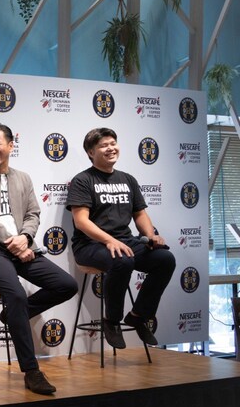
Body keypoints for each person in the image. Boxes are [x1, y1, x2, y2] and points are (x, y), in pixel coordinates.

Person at [0, 122, 77, 395]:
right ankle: (31, 371)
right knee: (15, 295)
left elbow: (33, 213)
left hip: (23, 246)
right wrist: (13, 244)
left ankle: (15, 315)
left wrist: (25, 237)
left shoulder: (23, 178)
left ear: (10, 146)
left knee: (66, 285)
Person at [66, 127, 176, 349]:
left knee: (165, 260)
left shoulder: (128, 179)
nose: (111, 148)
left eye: (113, 143)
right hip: (90, 245)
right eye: (103, 145)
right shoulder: (83, 180)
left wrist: (150, 236)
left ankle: (138, 315)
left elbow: (140, 214)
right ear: (91, 152)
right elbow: (81, 222)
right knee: (122, 260)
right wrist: (109, 240)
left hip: (126, 241)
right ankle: (112, 320)